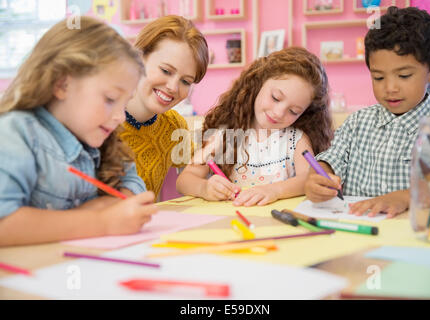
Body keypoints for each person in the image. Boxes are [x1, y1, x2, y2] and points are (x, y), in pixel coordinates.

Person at [0, 16, 157, 246]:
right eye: (110, 99)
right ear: (62, 85)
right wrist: (101, 222)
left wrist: (113, 204)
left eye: (124, 103)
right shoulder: (16, 133)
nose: (120, 116)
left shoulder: (96, 135)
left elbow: (132, 180)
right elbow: (4, 223)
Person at [304, 6, 430, 218]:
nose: (390, 87)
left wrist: (407, 197)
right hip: (356, 231)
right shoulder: (357, 122)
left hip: (411, 239)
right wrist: (319, 176)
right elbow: (331, 159)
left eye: (404, 75)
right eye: (378, 78)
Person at [176, 47, 334, 206]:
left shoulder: (296, 140)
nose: (279, 113)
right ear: (259, 83)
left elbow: (309, 179)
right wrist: (204, 188)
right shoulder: (226, 136)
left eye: (293, 111)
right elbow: (185, 180)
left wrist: (274, 191)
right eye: (276, 98)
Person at [119, 15, 209, 198]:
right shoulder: (99, 121)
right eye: (166, 71)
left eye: (185, 81)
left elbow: (200, 162)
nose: (173, 87)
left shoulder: (172, 127)